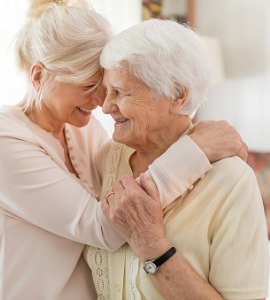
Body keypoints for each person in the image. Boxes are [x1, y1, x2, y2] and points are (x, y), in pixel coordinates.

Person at [0, 1, 248, 299]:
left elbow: (126, 180)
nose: (101, 101)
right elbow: (107, 227)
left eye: (104, 84)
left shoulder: (82, 128)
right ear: (39, 77)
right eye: (89, 85)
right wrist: (196, 150)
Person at [84, 18, 270, 299]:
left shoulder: (232, 181)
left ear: (177, 95)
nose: (107, 106)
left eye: (121, 92)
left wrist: (151, 244)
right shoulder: (104, 159)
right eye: (107, 91)